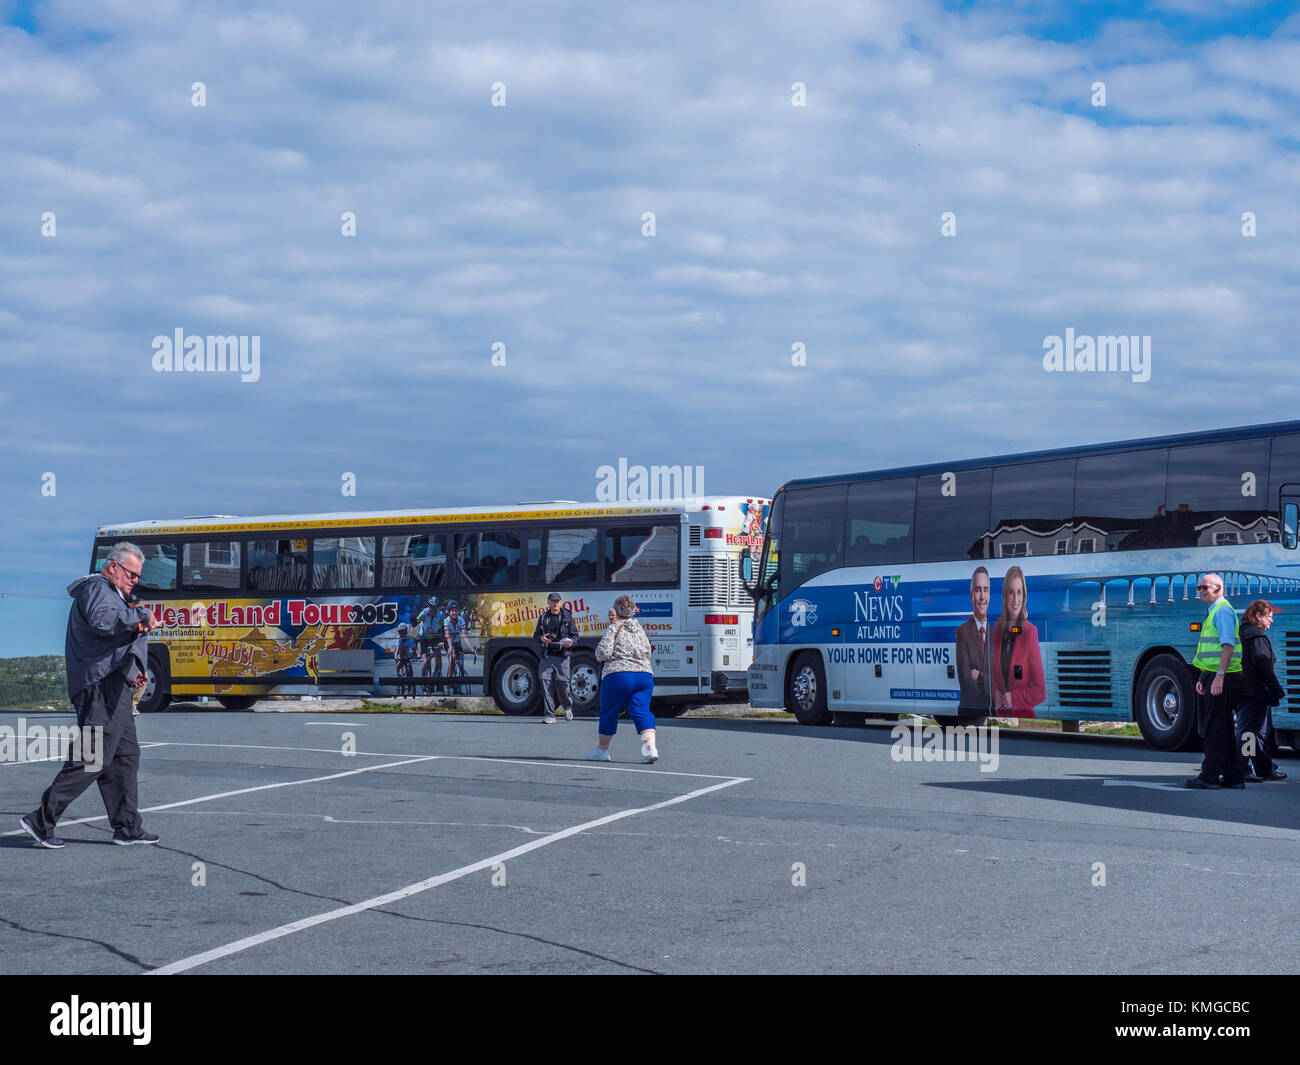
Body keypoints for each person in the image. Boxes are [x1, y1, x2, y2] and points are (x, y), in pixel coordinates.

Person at [19, 543, 162, 849]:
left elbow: (110, 637)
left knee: (125, 756)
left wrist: (132, 665)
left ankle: (127, 827)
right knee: (92, 757)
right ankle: (41, 820)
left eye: (138, 576)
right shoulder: (98, 590)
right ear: (113, 567)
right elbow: (103, 622)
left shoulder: (113, 593)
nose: (135, 580)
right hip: (99, 686)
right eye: (131, 574)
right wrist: (138, 619)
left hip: (113, 684)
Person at [1186, 572, 1248, 789]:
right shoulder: (1215, 611)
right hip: (1215, 675)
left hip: (1224, 676)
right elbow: (1211, 650)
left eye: (1205, 587)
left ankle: (1210, 775)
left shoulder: (1222, 611)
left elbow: (1227, 645)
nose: (1201, 591)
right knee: (1223, 727)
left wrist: (1219, 676)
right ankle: (1234, 776)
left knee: (1214, 727)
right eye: (1199, 588)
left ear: (1218, 588)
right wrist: (1204, 676)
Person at [589, 595, 657, 763]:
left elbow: (603, 652)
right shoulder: (640, 629)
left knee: (609, 711)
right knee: (641, 711)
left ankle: (602, 751)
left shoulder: (613, 628)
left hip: (618, 675)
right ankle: (650, 749)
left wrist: (598, 654)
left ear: (617, 610)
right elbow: (648, 651)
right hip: (644, 675)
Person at [1236, 599, 1286, 782]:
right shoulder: (1256, 637)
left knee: (1256, 733)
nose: (1271, 621)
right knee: (1249, 733)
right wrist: (1276, 688)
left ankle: (1265, 768)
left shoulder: (1242, 633)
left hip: (1244, 690)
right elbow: (1263, 664)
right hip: (1254, 692)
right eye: (1269, 617)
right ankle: (1241, 768)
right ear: (1258, 616)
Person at [990, 565, 1045, 718]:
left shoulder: (1030, 631)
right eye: (1011, 592)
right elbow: (994, 674)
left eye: (1019, 592)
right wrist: (996, 692)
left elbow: (1040, 691)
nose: (1015, 599)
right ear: (1005, 595)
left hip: (1023, 720)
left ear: (1024, 595)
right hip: (1002, 719)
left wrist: (1013, 698)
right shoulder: (998, 628)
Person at [954, 566, 993, 713]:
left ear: (990, 594)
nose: (982, 597)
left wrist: (980, 676)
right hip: (968, 712)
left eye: (985, 590)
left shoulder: (996, 634)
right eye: (978, 590)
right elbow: (966, 681)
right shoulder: (962, 632)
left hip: (991, 709)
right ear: (971, 595)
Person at [533, 592, 576, 723]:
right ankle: (550, 715)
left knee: (563, 685)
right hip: (547, 655)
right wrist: (541, 638)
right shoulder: (544, 617)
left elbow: (575, 636)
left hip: (563, 655)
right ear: (548, 603)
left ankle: (567, 707)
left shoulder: (567, 618)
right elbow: (536, 636)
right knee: (545, 683)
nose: (555, 603)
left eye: (557, 601)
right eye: (553, 601)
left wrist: (571, 642)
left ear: (560, 603)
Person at [443, 601, 476, 695]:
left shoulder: (461, 620)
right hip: (448, 642)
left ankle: (459, 678)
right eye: (452, 611)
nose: (454, 613)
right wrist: (450, 648)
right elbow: (447, 635)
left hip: (457, 642)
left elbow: (464, 635)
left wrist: (470, 648)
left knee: (461, 660)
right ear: (449, 612)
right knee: (452, 659)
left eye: (456, 610)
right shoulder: (446, 620)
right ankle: (448, 682)